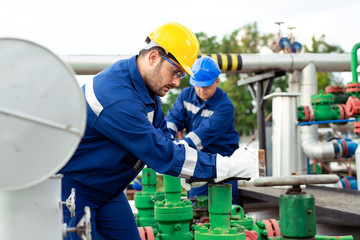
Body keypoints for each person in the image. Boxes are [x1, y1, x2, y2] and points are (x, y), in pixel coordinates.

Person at [59, 22, 258, 240]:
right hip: (77, 190)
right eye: (174, 71)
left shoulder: (146, 89)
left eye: (181, 75)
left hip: (107, 189)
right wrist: (225, 166)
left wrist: (191, 168)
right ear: (153, 57)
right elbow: (159, 151)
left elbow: (164, 135)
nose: (175, 82)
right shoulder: (117, 96)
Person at [166, 56, 240, 204]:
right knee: (196, 210)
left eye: (206, 86)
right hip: (199, 166)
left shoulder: (224, 106)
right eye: (197, 85)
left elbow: (200, 137)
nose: (201, 90)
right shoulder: (186, 96)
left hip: (223, 168)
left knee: (225, 214)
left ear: (217, 81)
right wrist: (165, 139)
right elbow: (173, 121)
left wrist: (175, 149)